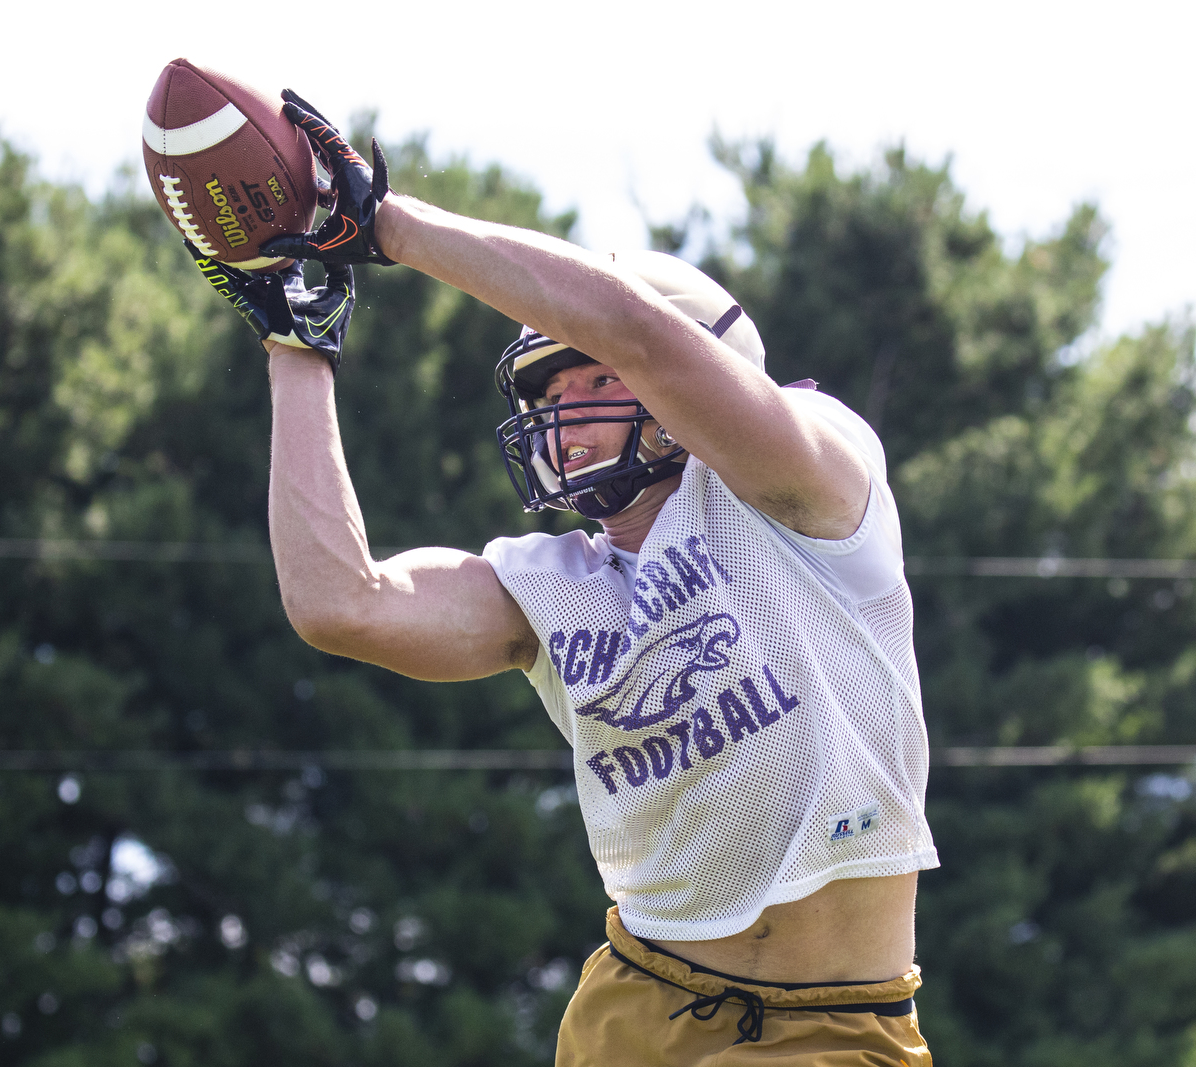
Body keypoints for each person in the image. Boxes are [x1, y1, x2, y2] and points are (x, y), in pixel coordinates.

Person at [189, 91, 939, 1066]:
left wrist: (387, 223)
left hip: (834, 1023)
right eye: (548, 391)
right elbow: (341, 603)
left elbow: (638, 329)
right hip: (636, 1004)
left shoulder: (812, 482)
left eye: (593, 379)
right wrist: (297, 345)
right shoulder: (553, 580)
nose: (564, 410)